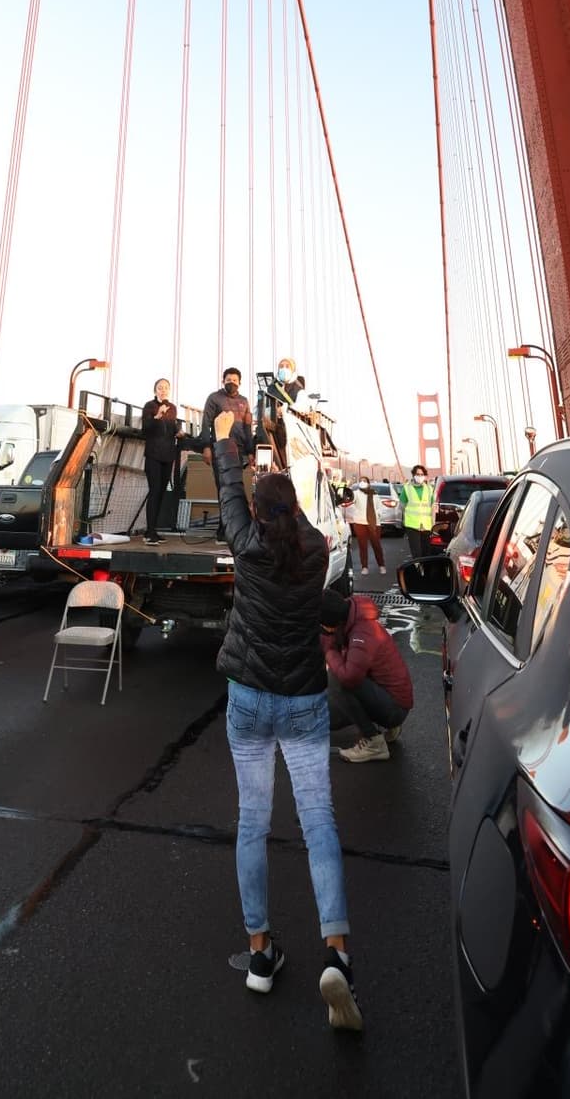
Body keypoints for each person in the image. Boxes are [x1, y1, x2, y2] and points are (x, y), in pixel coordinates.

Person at [213, 410, 363, 1030]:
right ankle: (337, 955)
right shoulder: (318, 547)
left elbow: (229, 497)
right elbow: (282, 515)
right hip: (302, 699)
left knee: (252, 822)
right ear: (297, 508)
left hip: (248, 698)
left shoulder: (245, 546)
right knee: (318, 820)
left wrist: (226, 441)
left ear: (256, 511)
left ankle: (259, 956)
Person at [320, 587, 414, 763]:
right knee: (328, 719)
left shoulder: (363, 633)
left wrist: (328, 651)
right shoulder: (351, 617)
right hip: (392, 700)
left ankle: (373, 743)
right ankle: (389, 726)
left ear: (334, 624)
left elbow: (349, 677)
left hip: (394, 708)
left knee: (337, 679)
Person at [201, 367, 253, 539]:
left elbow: (247, 428)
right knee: (223, 489)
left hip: (238, 452)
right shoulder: (214, 398)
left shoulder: (244, 402)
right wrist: (206, 447)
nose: (232, 382)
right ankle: (223, 531)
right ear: (223, 381)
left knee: (236, 488)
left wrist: (251, 451)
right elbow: (206, 424)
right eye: (228, 379)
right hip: (220, 451)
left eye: (235, 380)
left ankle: (233, 528)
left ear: (240, 383)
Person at [141, 378, 180, 543]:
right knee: (154, 490)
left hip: (168, 454)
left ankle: (153, 530)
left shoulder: (173, 408)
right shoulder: (149, 406)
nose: (163, 390)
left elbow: (171, 429)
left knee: (162, 492)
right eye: (160, 388)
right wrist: (157, 416)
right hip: (153, 454)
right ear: (155, 390)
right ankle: (149, 532)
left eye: (166, 388)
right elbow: (146, 429)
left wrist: (179, 431)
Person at [348, 478, 385, 575]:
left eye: (364, 481)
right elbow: (350, 500)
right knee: (362, 546)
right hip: (360, 522)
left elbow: (379, 507)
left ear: (368, 483)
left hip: (374, 523)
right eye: (361, 481)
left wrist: (378, 514)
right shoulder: (356, 493)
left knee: (376, 545)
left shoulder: (374, 494)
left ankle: (381, 565)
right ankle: (364, 567)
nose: (362, 482)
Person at [400, 464, 436, 558]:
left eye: (421, 474)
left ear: (424, 476)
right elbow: (402, 506)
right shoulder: (407, 488)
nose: (419, 476)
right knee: (417, 553)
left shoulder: (429, 489)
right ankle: (418, 571)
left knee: (426, 553)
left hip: (426, 525)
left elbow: (432, 508)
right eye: (417, 474)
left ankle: (425, 571)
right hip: (412, 525)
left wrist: (433, 524)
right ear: (413, 475)